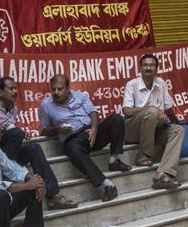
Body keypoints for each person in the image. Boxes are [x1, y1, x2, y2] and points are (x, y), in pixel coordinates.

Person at [0, 77, 77, 210]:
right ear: (0, 92)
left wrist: (22, 132)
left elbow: (13, 131)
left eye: (15, 88)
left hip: (7, 154)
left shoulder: (13, 109)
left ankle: (54, 195)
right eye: (11, 88)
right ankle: (8, 178)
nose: (15, 91)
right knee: (16, 133)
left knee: (34, 148)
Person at [39, 74, 130, 203]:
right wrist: (58, 129)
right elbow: (44, 130)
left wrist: (94, 129)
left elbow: (93, 113)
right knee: (74, 150)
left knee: (116, 119)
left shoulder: (80, 96)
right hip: (73, 138)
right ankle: (107, 184)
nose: (56, 92)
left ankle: (113, 160)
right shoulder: (45, 105)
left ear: (68, 87)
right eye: (53, 89)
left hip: (90, 132)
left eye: (60, 89)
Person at [121, 53, 184, 190]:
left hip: (154, 130)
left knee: (178, 130)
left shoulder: (161, 83)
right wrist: (151, 110)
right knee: (153, 111)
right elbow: (126, 111)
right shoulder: (132, 85)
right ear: (140, 68)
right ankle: (142, 155)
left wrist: (173, 123)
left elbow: (168, 109)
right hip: (132, 131)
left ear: (156, 69)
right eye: (145, 65)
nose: (148, 68)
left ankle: (162, 174)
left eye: (152, 65)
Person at [0, 120, 45, 227]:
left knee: (33, 191)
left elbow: (13, 169)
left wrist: (35, 181)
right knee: (1, 195)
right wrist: (28, 185)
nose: (1, 135)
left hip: (4, 206)